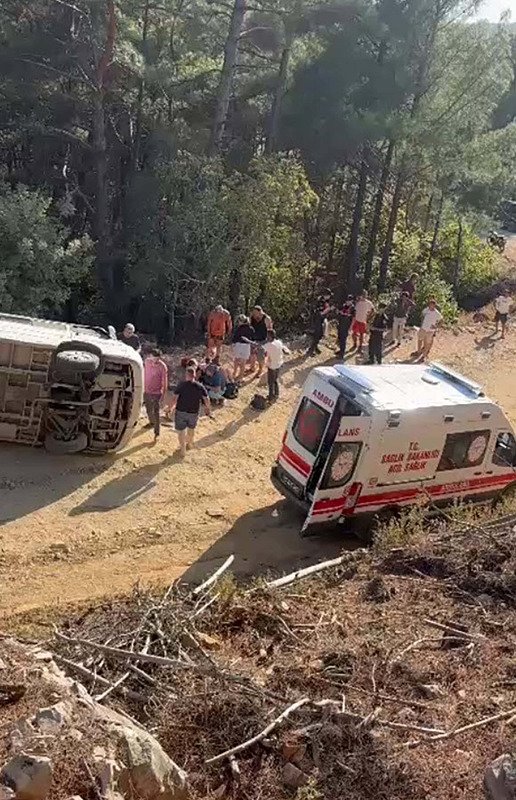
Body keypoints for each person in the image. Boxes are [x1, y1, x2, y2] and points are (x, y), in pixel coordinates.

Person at [168, 366, 212, 457]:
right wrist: (208, 408)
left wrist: (170, 408)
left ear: (186, 375)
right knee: (191, 429)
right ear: (194, 375)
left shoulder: (181, 385)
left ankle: (183, 449)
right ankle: (190, 443)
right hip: (193, 412)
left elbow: (174, 398)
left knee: (181, 431)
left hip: (181, 411)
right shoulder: (200, 386)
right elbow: (206, 398)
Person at [143, 348, 168, 440]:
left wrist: (163, 394)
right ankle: (151, 422)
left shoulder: (163, 366)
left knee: (156, 412)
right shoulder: (146, 362)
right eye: (154, 358)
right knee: (148, 409)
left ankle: (157, 431)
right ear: (150, 356)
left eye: (157, 359)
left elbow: (164, 381)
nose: (156, 361)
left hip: (157, 392)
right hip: (147, 390)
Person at [264, 329, 290, 403]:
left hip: (272, 366)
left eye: (267, 336)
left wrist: (248, 341)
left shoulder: (269, 345)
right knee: (275, 380)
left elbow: (261, 348)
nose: (266, 337)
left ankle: (270, 397)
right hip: (278, 364)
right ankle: (276, 393)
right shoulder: (279, 342)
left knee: (270, 382)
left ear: (270, 336)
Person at [249, 306, 273, 375]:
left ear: (260, 312)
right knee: (252, 354)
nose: (254, 314)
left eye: (255, 312)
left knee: (260, 356)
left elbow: (270, 330)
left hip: (262, 340)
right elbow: (249, 325)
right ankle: (252, 367)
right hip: (253, 339)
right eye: (253, 312)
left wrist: (270, 340)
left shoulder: (266, 319)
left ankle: (260, 369)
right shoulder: (252, 317)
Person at [308, 290, 333, 355]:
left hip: (321, 319)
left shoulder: (325, 300)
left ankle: (315, 348)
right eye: (329, 296)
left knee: (320, 334)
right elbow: (320, 312)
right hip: (318, 319)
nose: (329, 297)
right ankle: (311, 350)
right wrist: (328, 309)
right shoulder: (320, 301)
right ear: (326, 295)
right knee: (317, 334)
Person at [232, 315, 255, 383]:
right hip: (246, 346)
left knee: (236, 360)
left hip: (238, 345)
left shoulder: (239, 328)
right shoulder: (251, 328)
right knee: (243, 363)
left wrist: (233, 344)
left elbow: (235, 338)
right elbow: (253, 338)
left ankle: (234, 373)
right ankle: (240, 377)